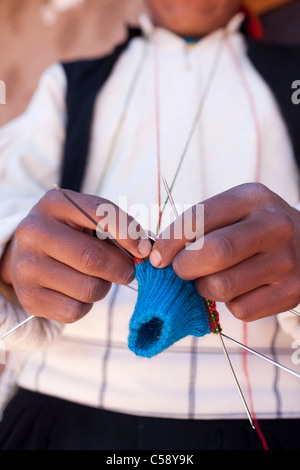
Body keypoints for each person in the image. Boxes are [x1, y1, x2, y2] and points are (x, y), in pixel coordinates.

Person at [0, 0, 300, 450]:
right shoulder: (69, 85)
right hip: (54, 408)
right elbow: (11, 197)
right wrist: (11, 258)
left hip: (269, 419)